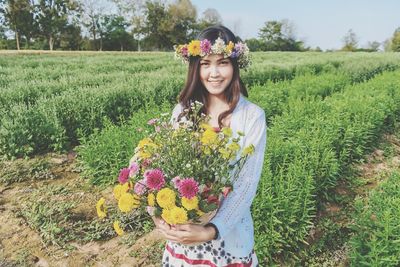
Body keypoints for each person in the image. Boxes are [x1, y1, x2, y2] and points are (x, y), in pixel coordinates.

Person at [153, 25, 267, 267]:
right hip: (184, 233)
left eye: (223, 62)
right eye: (205, 64)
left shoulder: (252, 116)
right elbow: (165, 172)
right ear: (196, 68)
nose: (214, 73)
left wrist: (212, 230)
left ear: (235, 66)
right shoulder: (182, 112)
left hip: (228, 237)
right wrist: (158, 215)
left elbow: (246, 185)